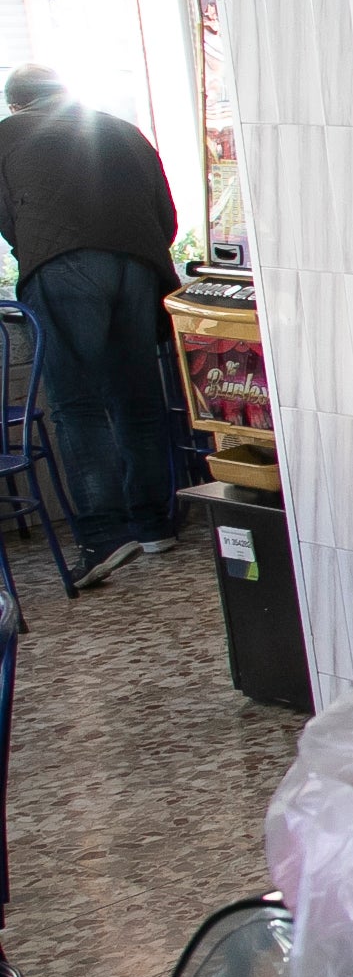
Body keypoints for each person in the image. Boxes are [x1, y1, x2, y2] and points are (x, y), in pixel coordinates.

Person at [0, 65, 183, 586]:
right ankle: (154, 525)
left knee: (77, 405)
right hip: (140, 267)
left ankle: (104, 535)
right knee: (138, 399)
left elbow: (7, 217)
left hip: (63, 264)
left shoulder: (6, 134)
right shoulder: (122, 129)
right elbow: (166, 216)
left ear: (15, 104)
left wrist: (43, 251)